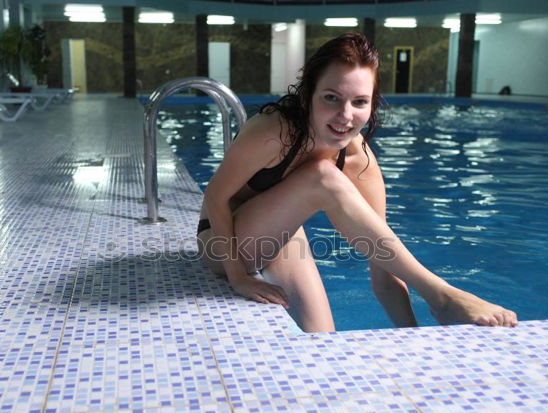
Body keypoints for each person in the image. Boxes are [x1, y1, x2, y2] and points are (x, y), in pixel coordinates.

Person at [196, 32, 518, 333]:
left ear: (372, 104)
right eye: (332, 98)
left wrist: (413, 336)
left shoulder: (359, 160)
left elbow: (384, 269)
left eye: (359, 102)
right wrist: (238, 277)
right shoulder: (274, 132)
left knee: (323, 338)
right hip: (221, 244)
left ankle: (440, 302)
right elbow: (215, 196)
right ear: (309, 95)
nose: (345, 115)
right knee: (321, 176)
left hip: (281, 237)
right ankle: (442, 294)